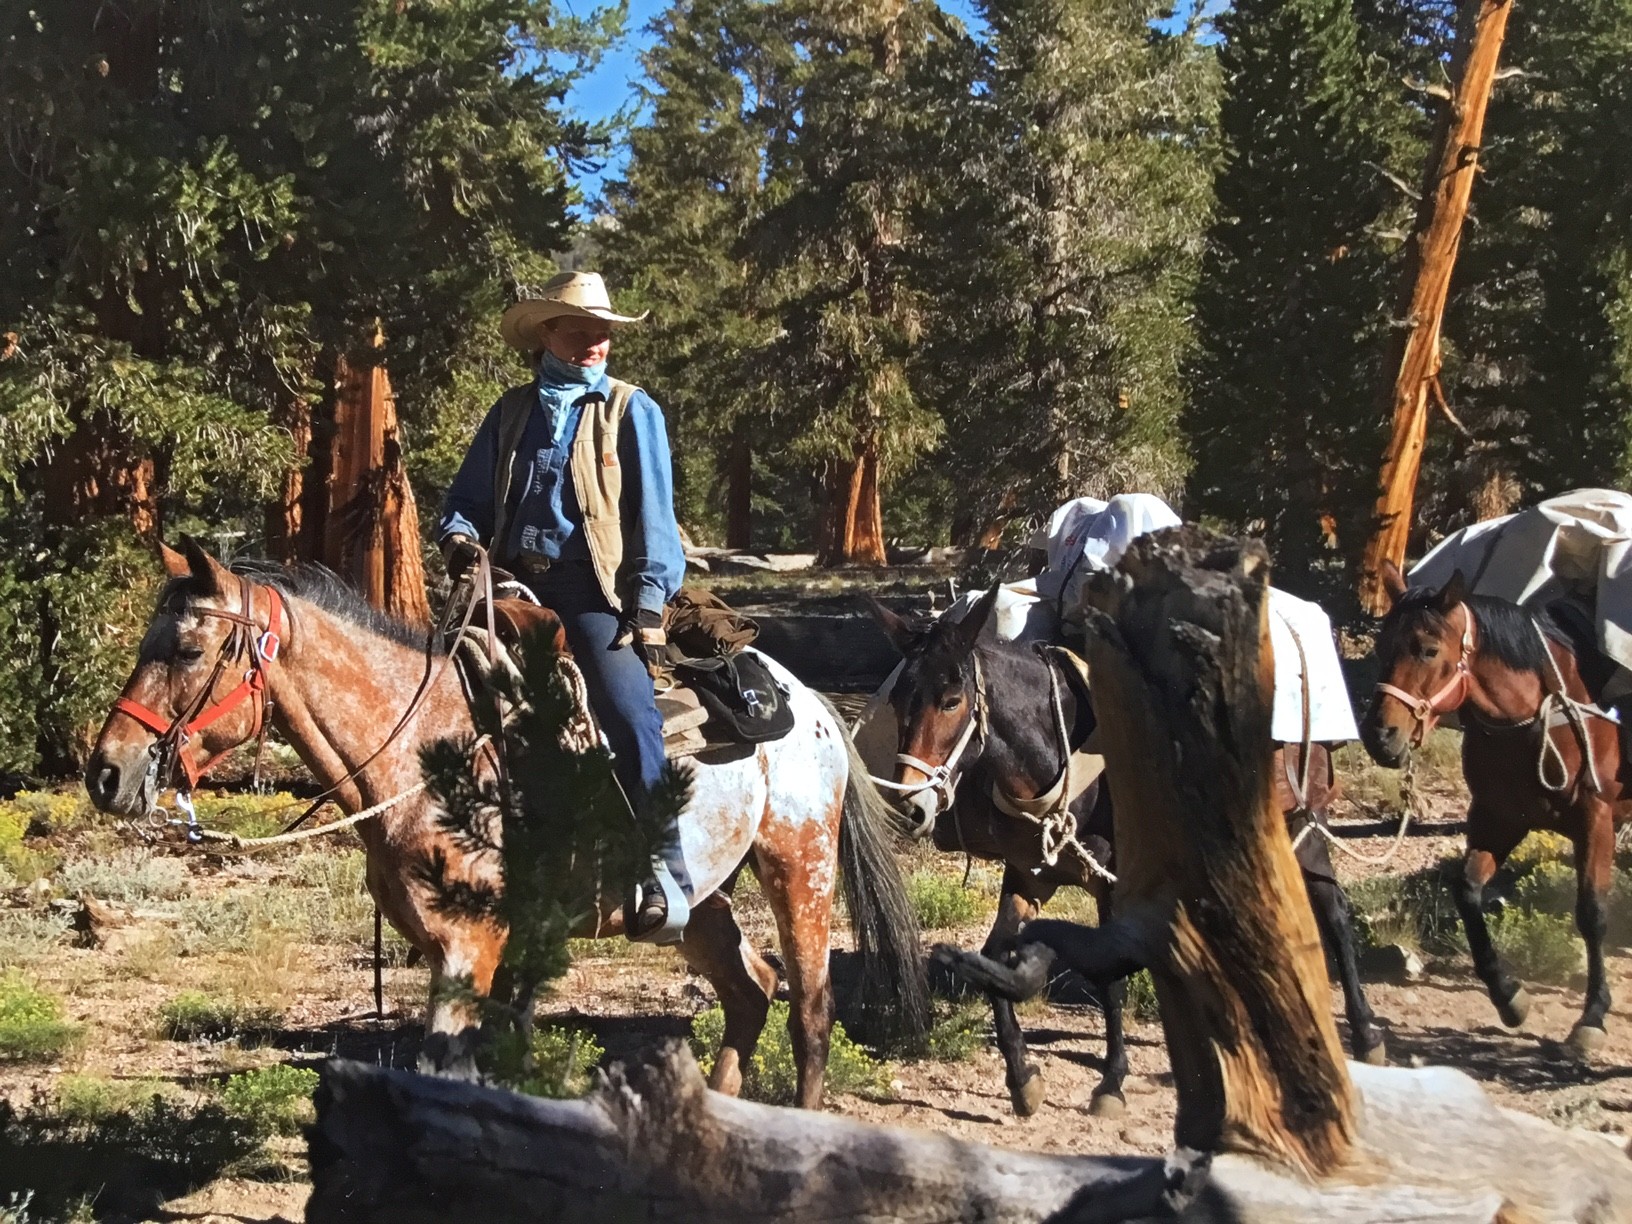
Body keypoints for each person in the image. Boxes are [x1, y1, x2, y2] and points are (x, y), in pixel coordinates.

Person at [438, 270, 689, 942]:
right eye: (579, 330)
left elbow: (656, 520)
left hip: (591, 592)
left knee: (628, 707)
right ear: (546, 334)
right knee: (434, 694)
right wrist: (460, 538)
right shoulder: (511, 412)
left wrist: (646, 607)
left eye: (602, 332)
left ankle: (663, 867)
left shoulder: (632, 410)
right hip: (511, 588)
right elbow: (465, 501)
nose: (594, 342)